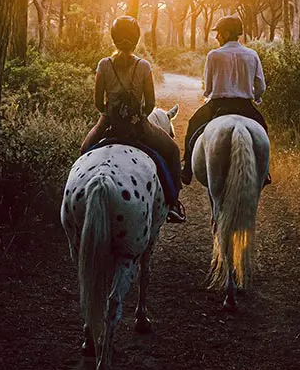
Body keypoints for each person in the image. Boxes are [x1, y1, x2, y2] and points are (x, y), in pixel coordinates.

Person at [79, 16, 187, 223]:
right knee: (172, 150)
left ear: (113, 38)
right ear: (137, 39)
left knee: (84, 151)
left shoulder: (104, 64)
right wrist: (138, 117)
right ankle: (173, 203)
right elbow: (150, 103)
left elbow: (97, 103)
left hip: (108, 122)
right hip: (139, 126)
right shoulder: (144, 66)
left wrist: (110, 114)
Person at [180, 15, 270, 186]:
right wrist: (256, 97)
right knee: (263, 129)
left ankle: (187, 170)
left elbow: (208, 88)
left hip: (218, 106)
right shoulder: (252, 54)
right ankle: (265, 172)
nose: (216, 37)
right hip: (245, 106)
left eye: (219, 33)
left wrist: (209, 93)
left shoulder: (214, 55)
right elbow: (261, 85)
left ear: (227, 33)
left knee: (192, 125)